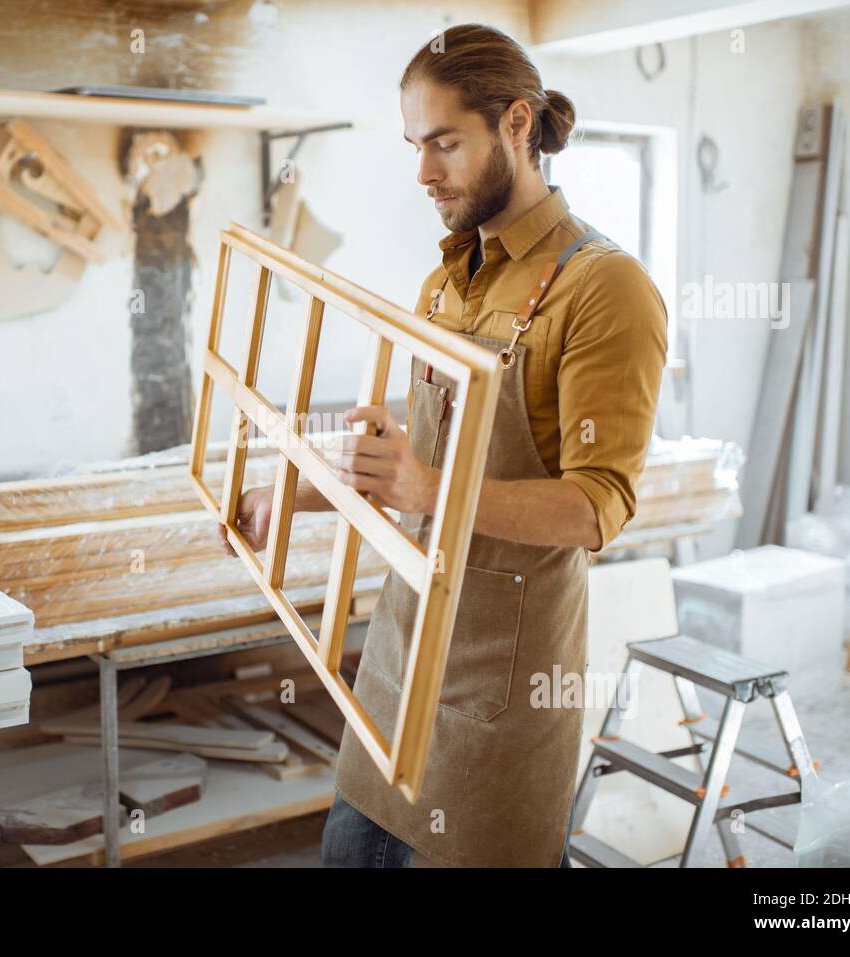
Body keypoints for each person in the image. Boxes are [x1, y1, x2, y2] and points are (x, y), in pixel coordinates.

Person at [214, 23, 667, 867]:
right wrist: (290, 500)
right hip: (396, 667)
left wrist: (431, 490)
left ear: (519, 125)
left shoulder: (604, 287)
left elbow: (597, 507)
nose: (424, 172)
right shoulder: (447, 280)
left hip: (501, 695)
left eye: (445, 143)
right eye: (414, 146)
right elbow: (408, 467)